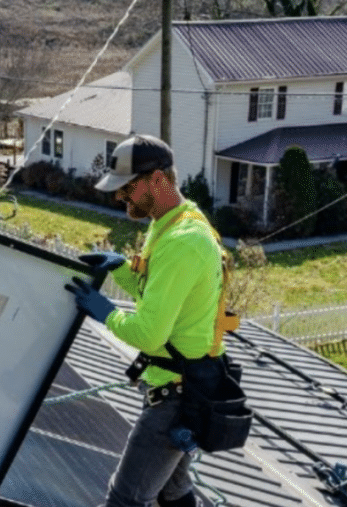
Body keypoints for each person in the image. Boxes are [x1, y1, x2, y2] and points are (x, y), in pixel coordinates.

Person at [65, 134, 228, 507]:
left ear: (157, 180)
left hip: (174, 397)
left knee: (125, 499)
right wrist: (122, 268)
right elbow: (159, 291)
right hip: (185, 387)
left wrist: (106, 313)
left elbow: (150, 334)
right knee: (174, 491)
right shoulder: (175, 221)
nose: (121, 198)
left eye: (127, 188)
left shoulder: (182, 241)